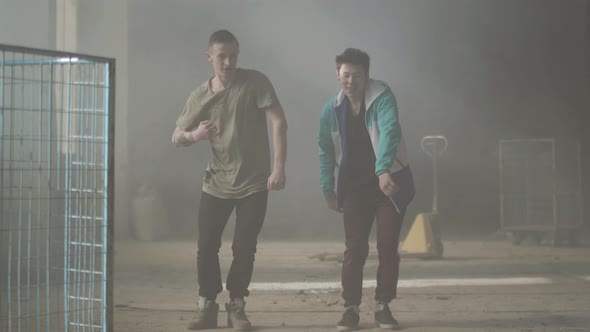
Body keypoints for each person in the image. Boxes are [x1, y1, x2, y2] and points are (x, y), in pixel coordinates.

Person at [172, 29, 287, 331]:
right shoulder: (199, 96)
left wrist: (278, 167)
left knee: (244, 246)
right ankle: (207, 303)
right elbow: (177, 137)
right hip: (216, 183)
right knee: (207, 245)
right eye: (221, 56)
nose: (227, 62)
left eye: (233, 56)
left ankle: (237, 304)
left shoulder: (255, 82)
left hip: (253, 182)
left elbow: (278, 120)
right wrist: (195, 135)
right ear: (209, 57)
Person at [317, 48, 415, 331]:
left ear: (366, 75)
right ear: (338, 74)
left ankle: (383, 306)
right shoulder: (331, 110)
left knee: (387, 247)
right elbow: (324, 149)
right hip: (355, 189)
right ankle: (351, 308)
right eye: (345, 75)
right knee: (355, 249)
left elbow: (390, 131)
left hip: (389, 184)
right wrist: (328, 190)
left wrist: (383, 170)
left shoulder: (383, 97)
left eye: (356, 76)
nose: (350, 81)